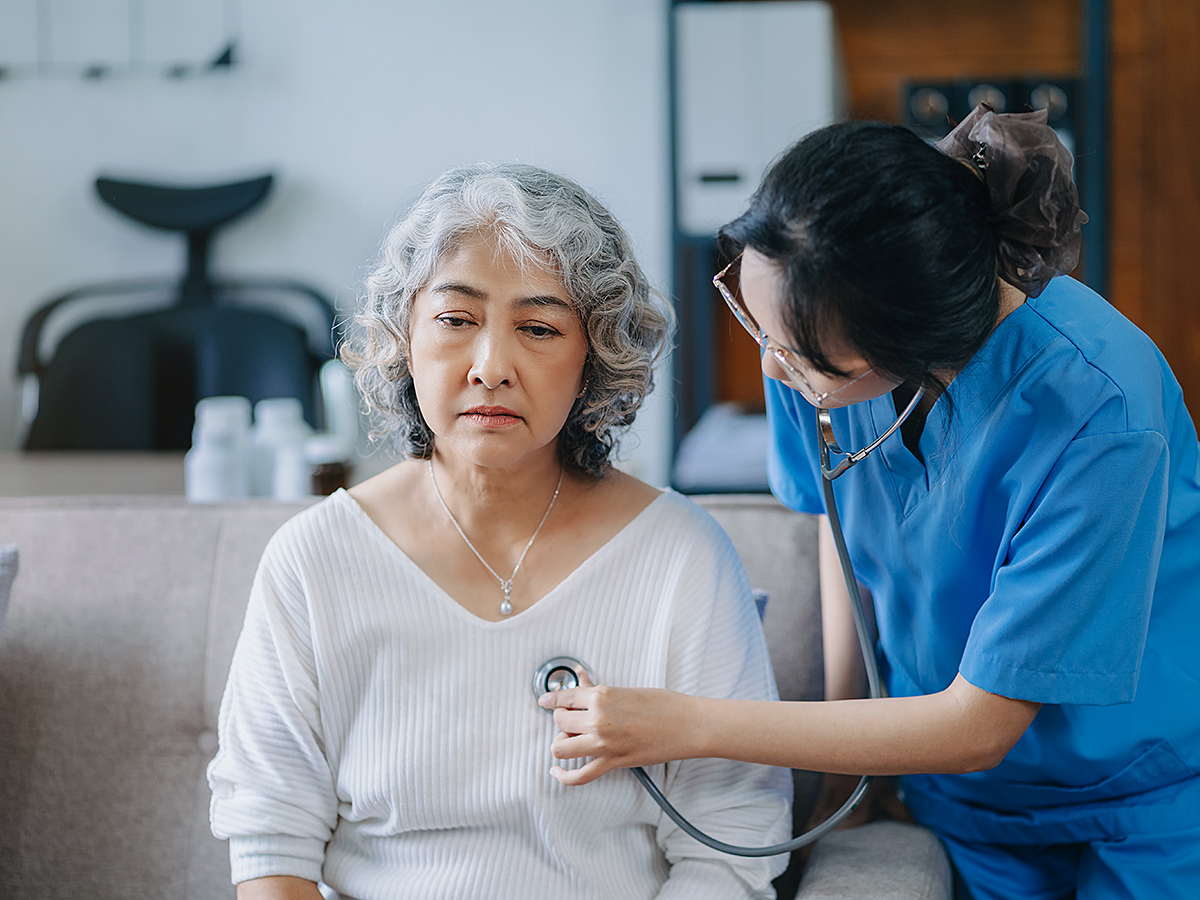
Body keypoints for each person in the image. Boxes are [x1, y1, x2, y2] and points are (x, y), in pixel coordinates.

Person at [540, 107, 1200, 899]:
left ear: (908, 340)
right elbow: (841, 532)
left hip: (1137, 799)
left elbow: (979, 724)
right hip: (955, 798)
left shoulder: (1102, 411)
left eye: (801, 358)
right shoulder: (803, 326)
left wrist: (684, 722)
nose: (773, 368)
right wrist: (842, 776)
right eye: (760, 327)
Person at [206, 162, 790, 900]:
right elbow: (270, 843)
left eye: (539, 328)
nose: (491, 367)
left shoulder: (682, 557)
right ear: (404, 336)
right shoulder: (313, 559)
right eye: (456, 320)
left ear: (594, 357)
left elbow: (730, 847)